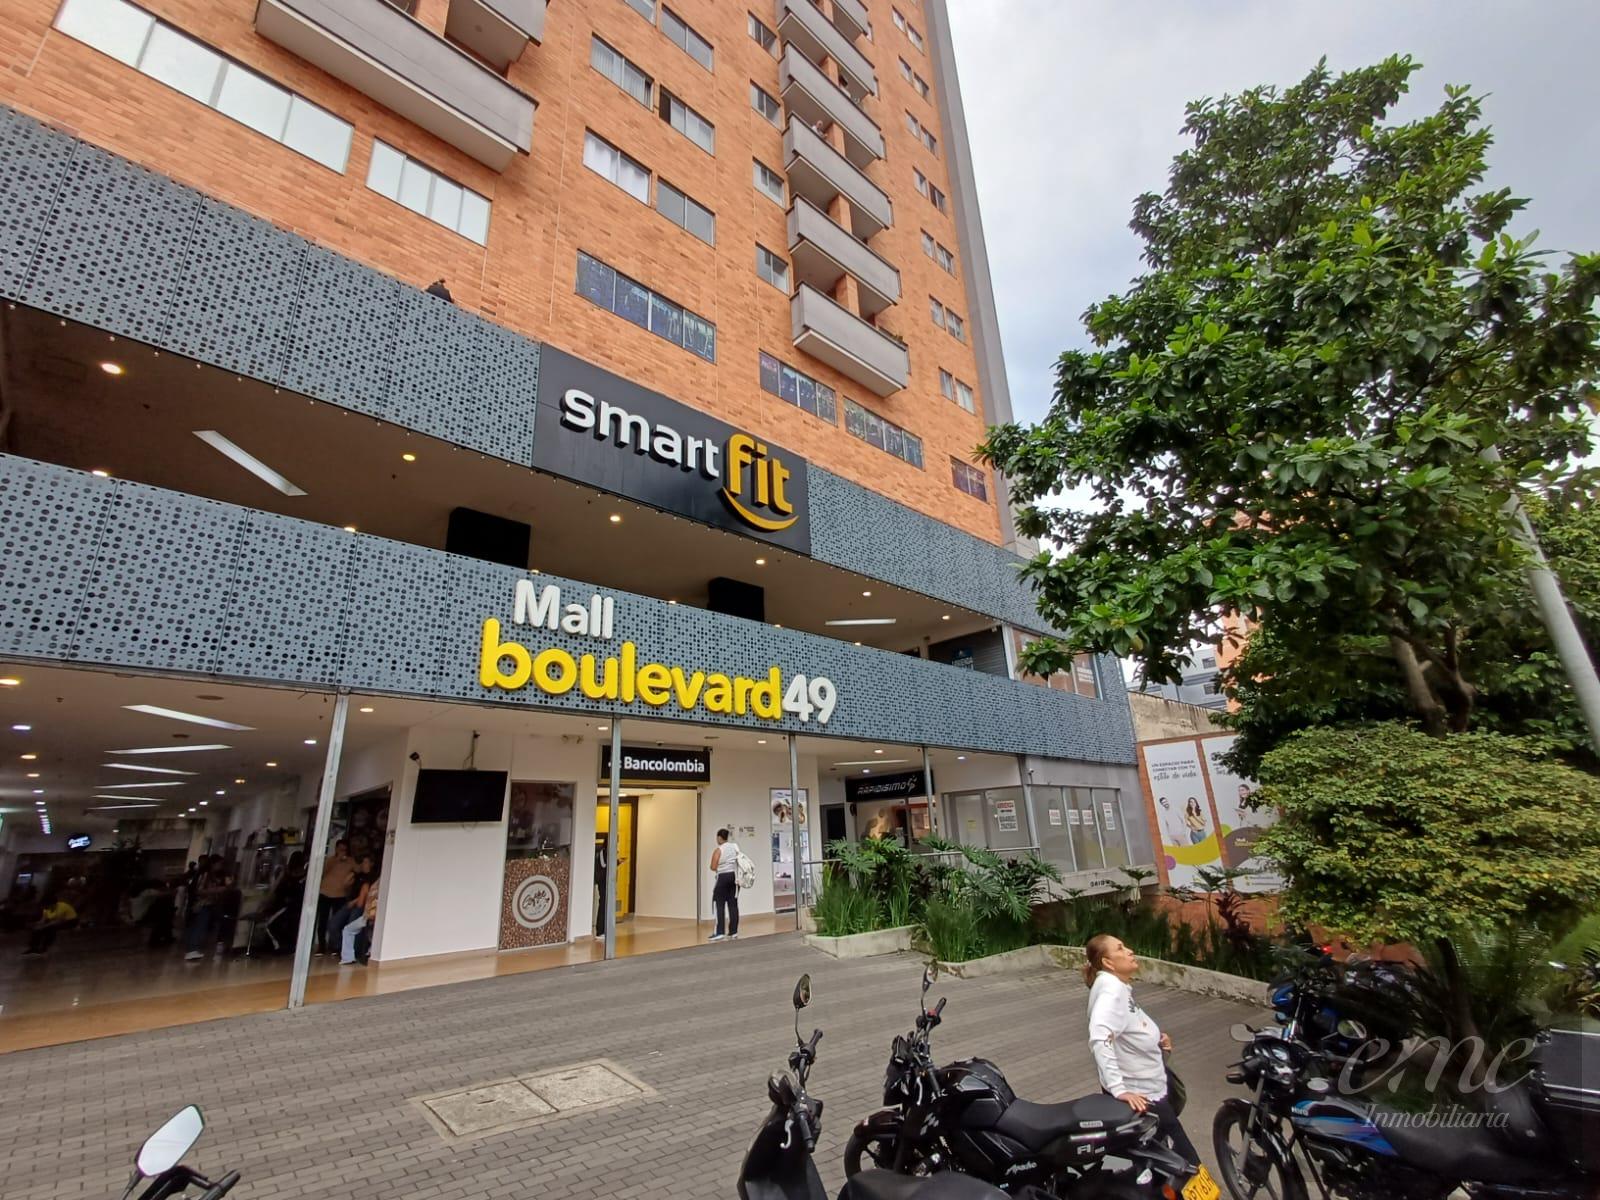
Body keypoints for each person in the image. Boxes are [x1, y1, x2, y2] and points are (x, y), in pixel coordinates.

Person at [1083, 934, 1200, 1168]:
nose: (1129, 951)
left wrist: (1155, 1039)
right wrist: (1119, 1089)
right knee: (1188, 1163)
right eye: (1120, 948)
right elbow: (1100, 1038)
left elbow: (1127, 1027)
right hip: (1141, 1096)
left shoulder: (1117, 987)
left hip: (1146, 1088)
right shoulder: (1111, 992)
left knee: (1152, 1157)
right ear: (1108, 962)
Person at [326, 856, 374, 958]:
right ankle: (341, 947)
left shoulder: (372, 878)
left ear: (371, 864)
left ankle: (352, 951)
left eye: (365, 862)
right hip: (350, 903)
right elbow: (346, 886)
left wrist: (354, 902)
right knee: (333, 924)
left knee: (351, 926)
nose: (363, 864)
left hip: (361, 905)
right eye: (362, 862)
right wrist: (352, 874)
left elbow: (366, 894)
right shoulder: (357, 875)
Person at [315, 839, 356, 955]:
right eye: (340, 849)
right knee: (322, 920)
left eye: (344, 850)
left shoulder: (350, 861)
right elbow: (322, 872)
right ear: (336, 849)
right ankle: (321, 946)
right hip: (325, 893)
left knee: (337, 921)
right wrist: (336, 860)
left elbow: (358, 869)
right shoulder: (330, 860)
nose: (342, 852)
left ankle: (334, 946)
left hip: (340, 895)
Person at [335, 861, 379, 965]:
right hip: (375, 916)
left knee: (348, 930)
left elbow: (361, 904)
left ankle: (348, 958)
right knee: (371, 933)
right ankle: (369, 952)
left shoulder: (369, 885)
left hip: (369, 915)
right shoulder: (381, 883)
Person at [708, 828, 741, 942]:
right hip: (735, 878)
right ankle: (733, 931)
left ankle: (719, 932)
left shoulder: (719, 850)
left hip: (722, 877)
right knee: (733, 905)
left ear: (719, 837)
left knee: (719, 904)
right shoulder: (735, 847)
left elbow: (713, 866)